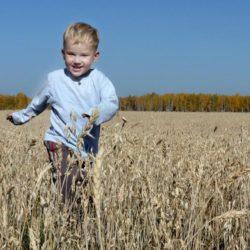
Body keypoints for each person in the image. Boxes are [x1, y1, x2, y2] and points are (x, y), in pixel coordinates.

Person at [6, 22, 119, 203]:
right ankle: (62, 216)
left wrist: (94, 114)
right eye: (71, 53)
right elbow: (38, 103)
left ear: (95, 56)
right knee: (66, 180)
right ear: (62, 53)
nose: (76, 60)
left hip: (86, 148)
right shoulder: (54, 79)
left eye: (84, 55)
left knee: (83, 186)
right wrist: (20, 117)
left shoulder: (100, 80)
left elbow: (112, 103)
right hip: (59, 140)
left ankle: (77, 220)